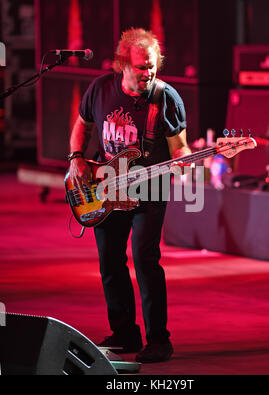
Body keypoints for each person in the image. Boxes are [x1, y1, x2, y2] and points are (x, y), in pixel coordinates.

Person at [68, 28, 192, 363]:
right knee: (110, 261)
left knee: (145, 260)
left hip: (149, 191)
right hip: (105, 190)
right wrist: (77, 158)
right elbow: (82, 124)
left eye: (152, 66)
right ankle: (124, 333)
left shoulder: (166, 99)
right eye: (140, 67)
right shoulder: (100, 89)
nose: (148, 72)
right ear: (123, 63)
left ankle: (159, 340)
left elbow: (180, 149)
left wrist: (183, 165)